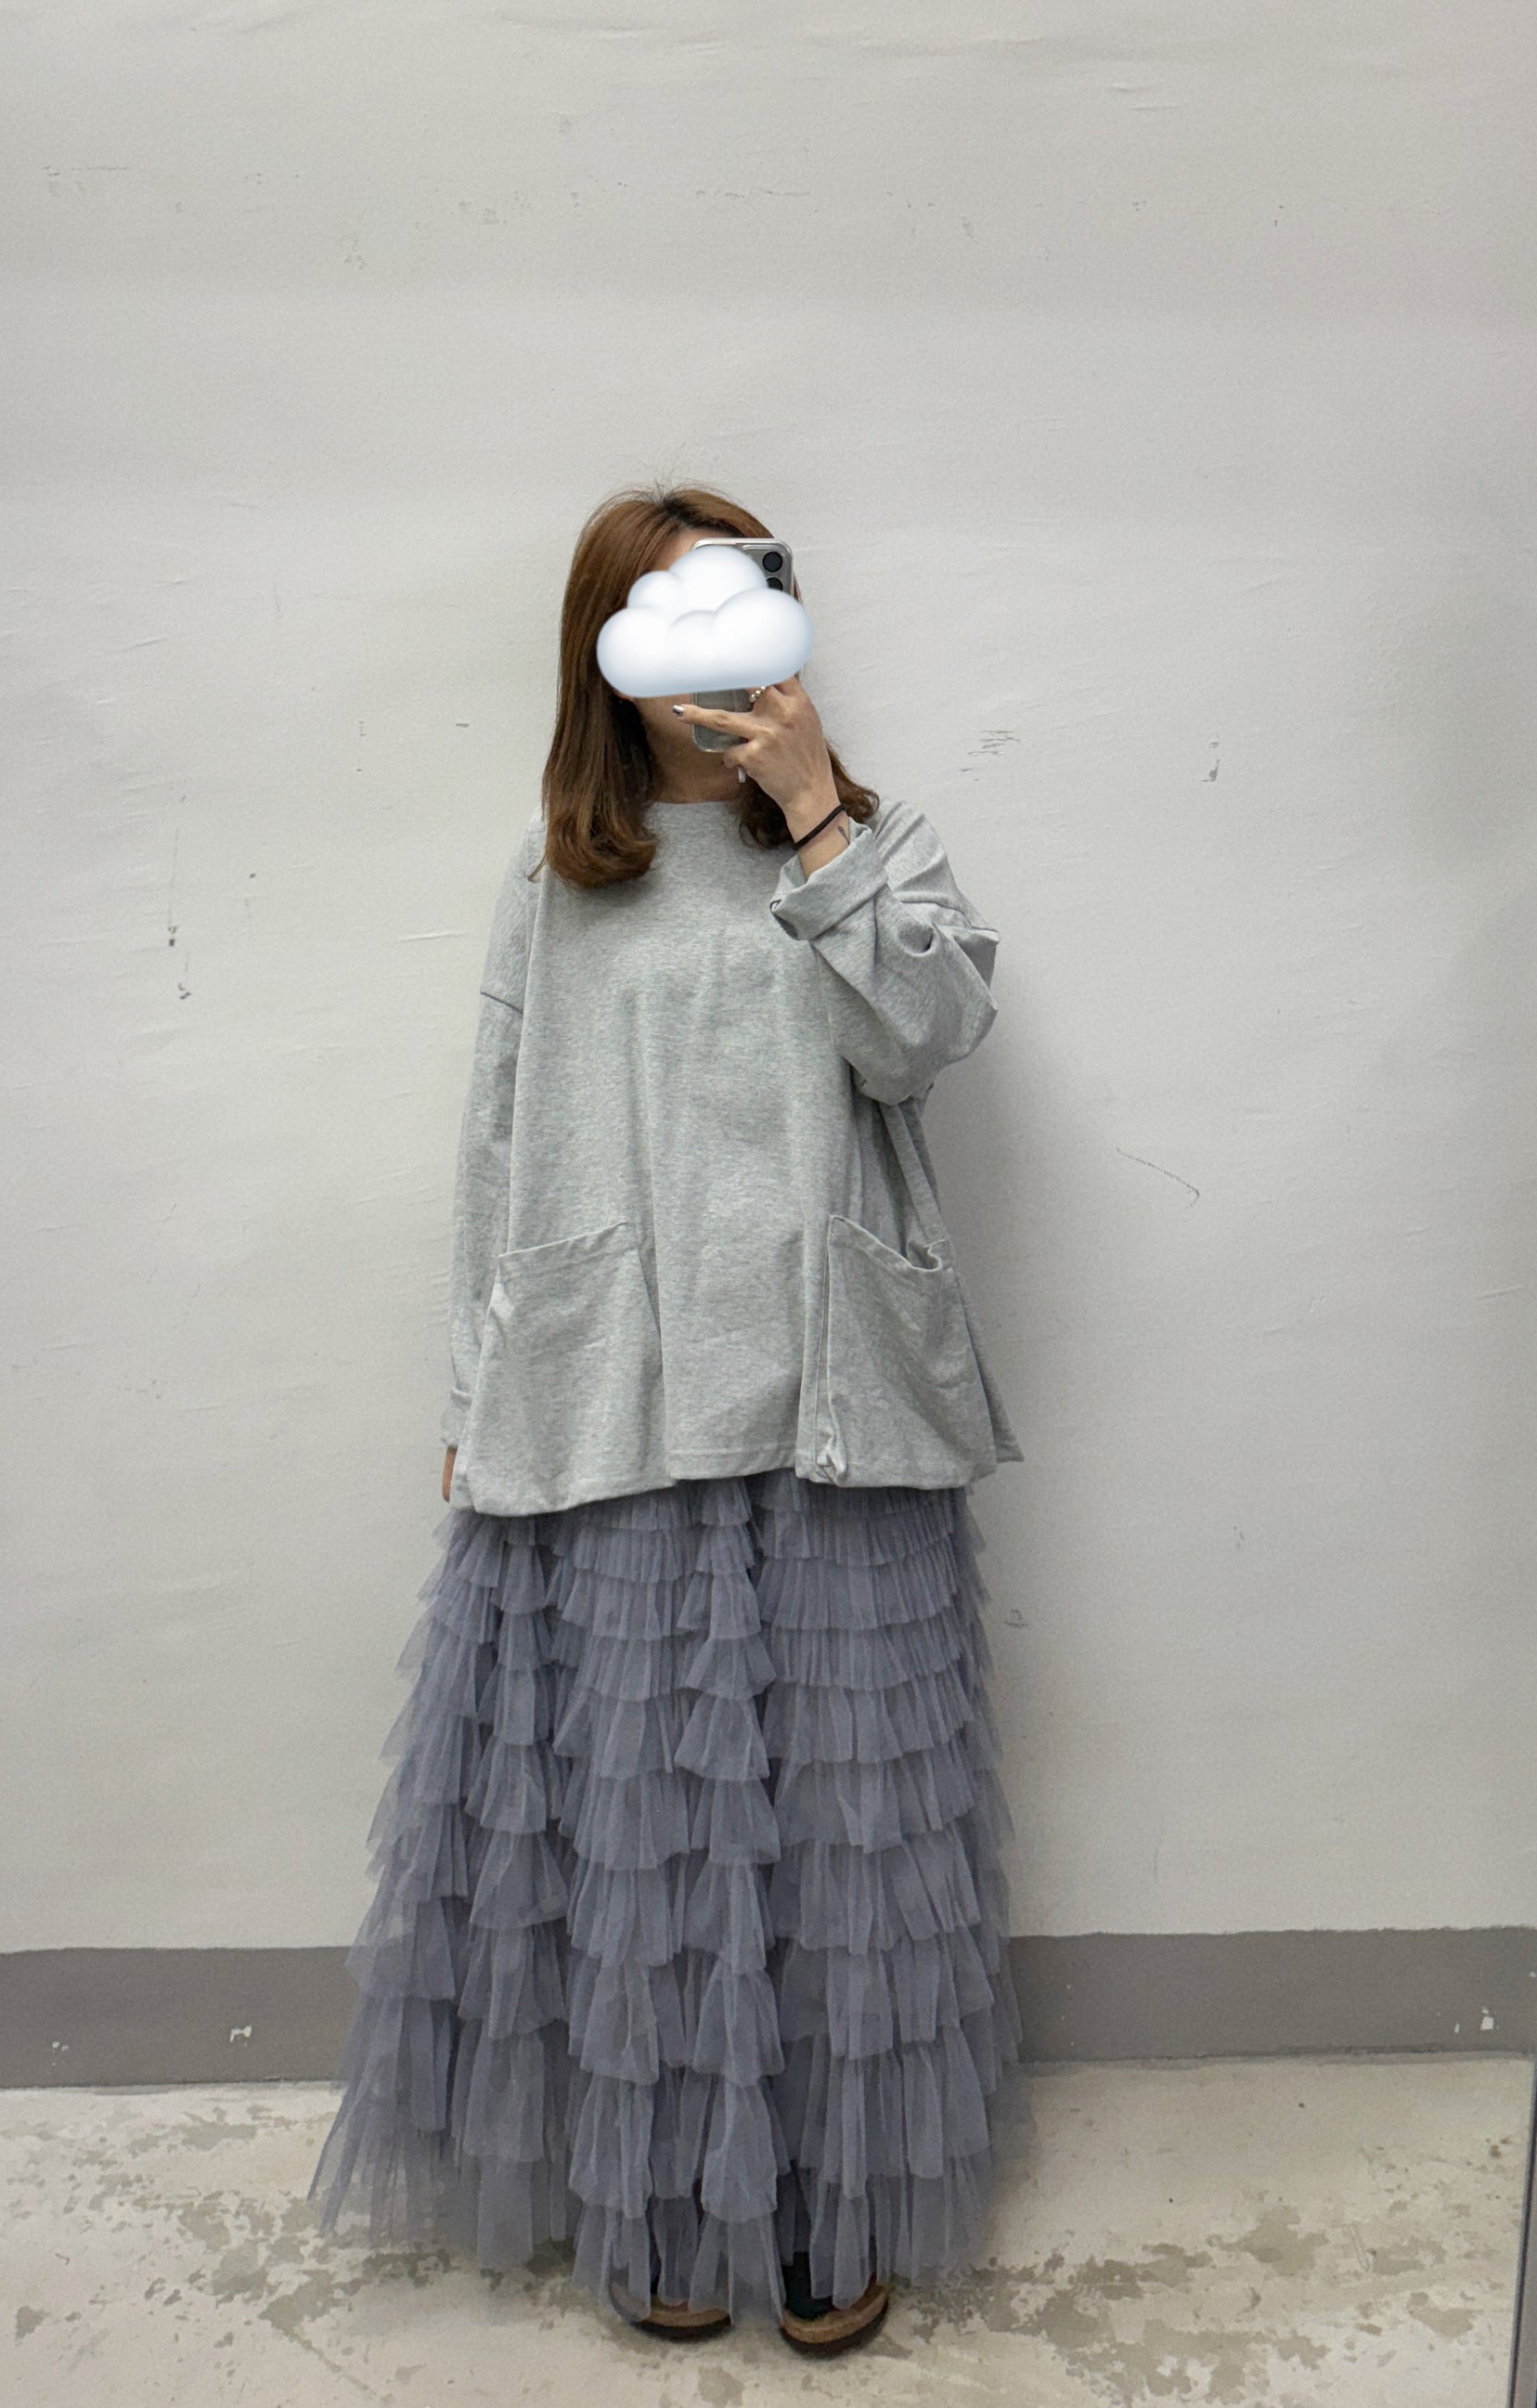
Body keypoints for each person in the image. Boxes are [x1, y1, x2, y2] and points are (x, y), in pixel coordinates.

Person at [307, 481, 1031, 2358]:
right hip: (618, 1398)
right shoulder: (560, 879)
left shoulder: (868, 843)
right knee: (644, 1846)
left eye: (738, 605)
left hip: (832, 1403)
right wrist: (476, 1390)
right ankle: (663, 2190)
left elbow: (925, 1041)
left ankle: (825, 2192)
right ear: (606, 654)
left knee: (836, 1840)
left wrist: (816, 814)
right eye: (667, 614)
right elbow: (495, 1143)